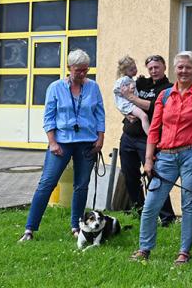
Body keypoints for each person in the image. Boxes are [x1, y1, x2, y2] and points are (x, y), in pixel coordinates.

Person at [131, 51, 192, 264]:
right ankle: (144, 248)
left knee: (189, 205)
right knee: (151, 204)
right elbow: (154, 129)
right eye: (180, 67)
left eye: (188, 67)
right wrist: (149, 159)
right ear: (175, 69)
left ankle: (184, 252)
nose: (184, 71)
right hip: (166, 157)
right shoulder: (165, 95)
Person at [19, 49, 105, 242]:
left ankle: (77, 226)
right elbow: (49, 117)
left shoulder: (93, 87)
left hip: (87, 143)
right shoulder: (55, 87)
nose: (82, 74)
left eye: (85, 70)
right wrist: (52, 142)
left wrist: (100, 138)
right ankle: (29, 229)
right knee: (47, 183)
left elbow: (100, 114)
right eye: (78, 70)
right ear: (69, 68)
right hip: (61, 143)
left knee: (81, 186)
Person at [118, 54, 175, 226]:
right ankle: (138, 212)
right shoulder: (141, 82)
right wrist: (126, 112)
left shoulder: (168, 88)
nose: (154, 71)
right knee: (130, 176)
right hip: (128, 136)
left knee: (154, 176)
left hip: (149, 140)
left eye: (157, 67)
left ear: (164, 67)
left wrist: (132, 98)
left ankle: (167, 218)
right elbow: (121, 95)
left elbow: (153, 107)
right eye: (150, 68)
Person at [113, 55, 150, 131]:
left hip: (130, 104)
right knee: (144, 116)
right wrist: (126, 91)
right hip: (128, 104)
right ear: (124, 71)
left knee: (138, 117)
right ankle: (150, 136)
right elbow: (115, 90)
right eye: (131, 70)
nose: (134, 71)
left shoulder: (130, 79)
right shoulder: (124, 79)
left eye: (135, 68)